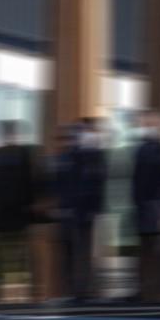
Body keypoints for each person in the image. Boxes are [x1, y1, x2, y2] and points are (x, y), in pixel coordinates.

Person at [55, 120, 108, 303]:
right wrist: (63, 207)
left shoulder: (95, 156)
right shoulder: (69, 156)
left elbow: (99, 183)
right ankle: (74, 289)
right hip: (72, 211)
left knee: (87, 251)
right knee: (72, 251)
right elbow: (63, 184)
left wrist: (96, 208)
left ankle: (86, 289)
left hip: (88, 212)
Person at [0, 120, 36, 300]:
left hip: (16, 212)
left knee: (18, 255)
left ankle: (18, 293)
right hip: (5, 212)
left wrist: (26, 206)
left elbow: (29, 182)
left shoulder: (21, 154)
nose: (9, 136)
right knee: (4, 255)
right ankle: (3, 292)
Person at [131, 110, 160, 302]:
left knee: (159, 252)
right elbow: (135, 180)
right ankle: (143, 289)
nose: (144, 128)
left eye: (148, 124)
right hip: (143, 209)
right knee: (144, 250)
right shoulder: (141, 150)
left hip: (157, 209)